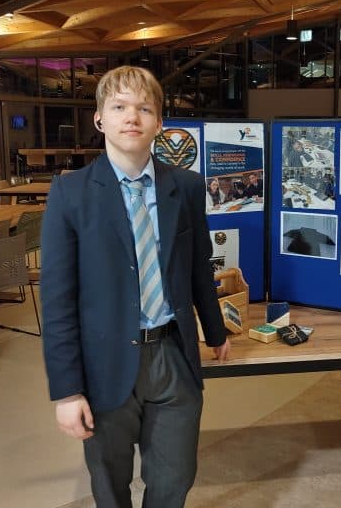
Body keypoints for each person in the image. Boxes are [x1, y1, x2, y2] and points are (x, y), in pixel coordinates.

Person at [41, 65, 230, 508]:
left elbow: (197, 267)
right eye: (119, 107)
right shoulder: (71, 193)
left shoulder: (186, 186)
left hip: (173, 354)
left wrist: (215, 331)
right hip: (104, 362)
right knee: (110, 485)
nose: (132, 117)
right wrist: (67, 391)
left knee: (174, 478)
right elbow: (57, 301)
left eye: (144, 108)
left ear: (159, 122)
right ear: (100, 119)